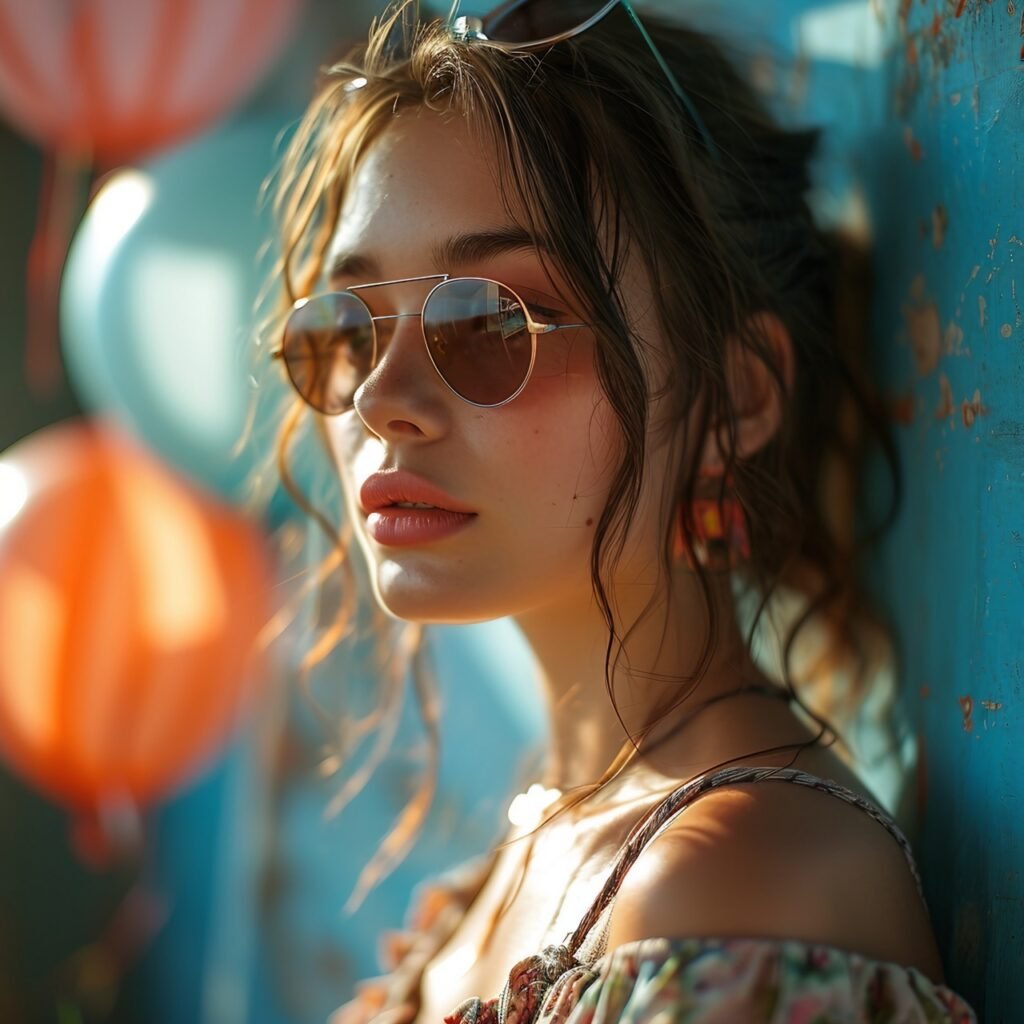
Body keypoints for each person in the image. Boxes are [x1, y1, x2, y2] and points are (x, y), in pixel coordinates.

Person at [259, 1, 980, 1020]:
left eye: (488, 321)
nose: (379, 397)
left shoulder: (741, 888)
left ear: (734, 396)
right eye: (347, 327)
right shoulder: (542, 838)